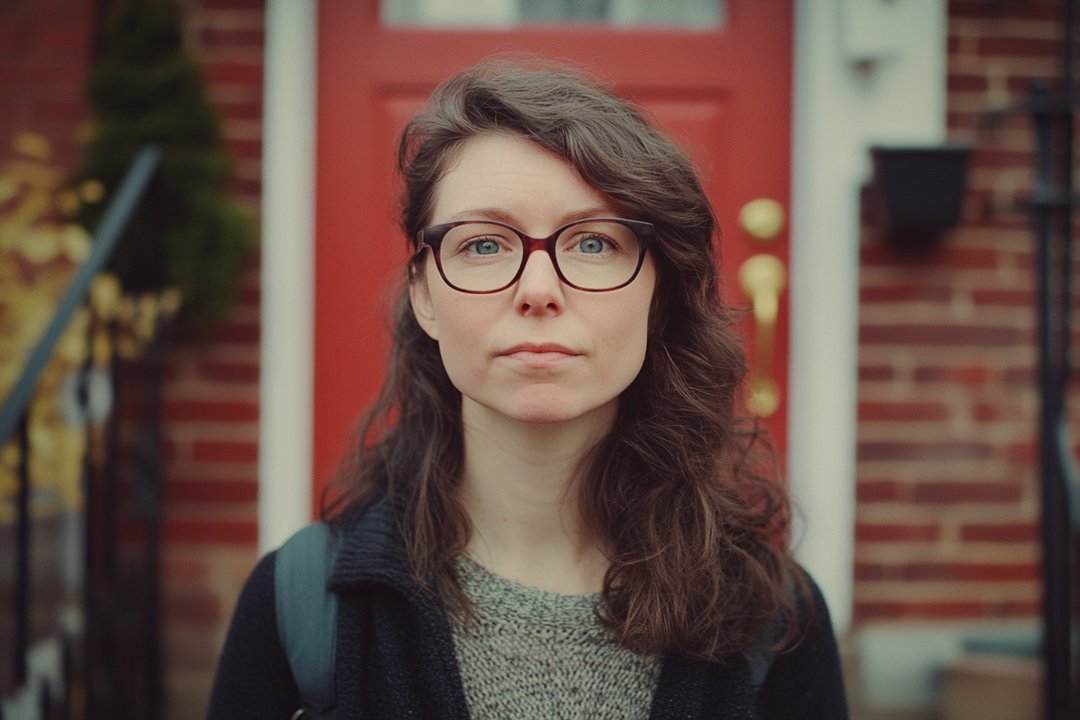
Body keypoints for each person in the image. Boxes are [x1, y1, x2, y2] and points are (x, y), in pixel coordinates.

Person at [208, 59, 849, 720]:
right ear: (425, 295)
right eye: (483, 245)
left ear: (659, 293)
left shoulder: (774, 620)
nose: (539, 290)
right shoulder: (301, 604)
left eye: (594, 243)